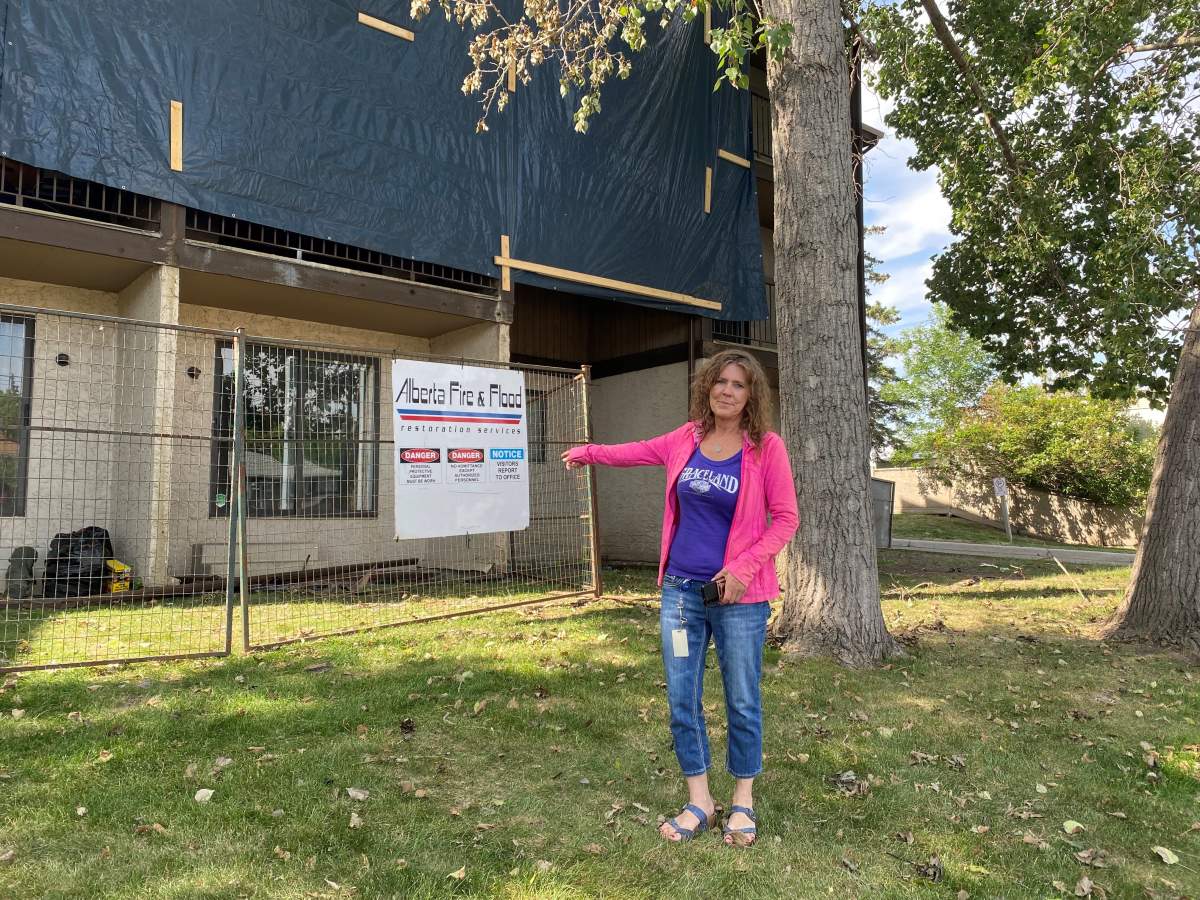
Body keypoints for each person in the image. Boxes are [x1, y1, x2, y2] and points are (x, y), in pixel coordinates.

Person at [563, 349, 798, 846]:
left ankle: (743, 801)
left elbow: (786, 520)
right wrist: (589, 452)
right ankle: (700, 801)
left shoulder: (765, 447)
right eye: (720, 382)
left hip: (740, 600)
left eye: (738, 384)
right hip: (681, 598)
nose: (727, 391)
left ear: (751, 393)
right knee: (682, 699)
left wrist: (742, 568)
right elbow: (635, 451)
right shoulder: (685, 440)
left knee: (742, 699)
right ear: (707, 387)